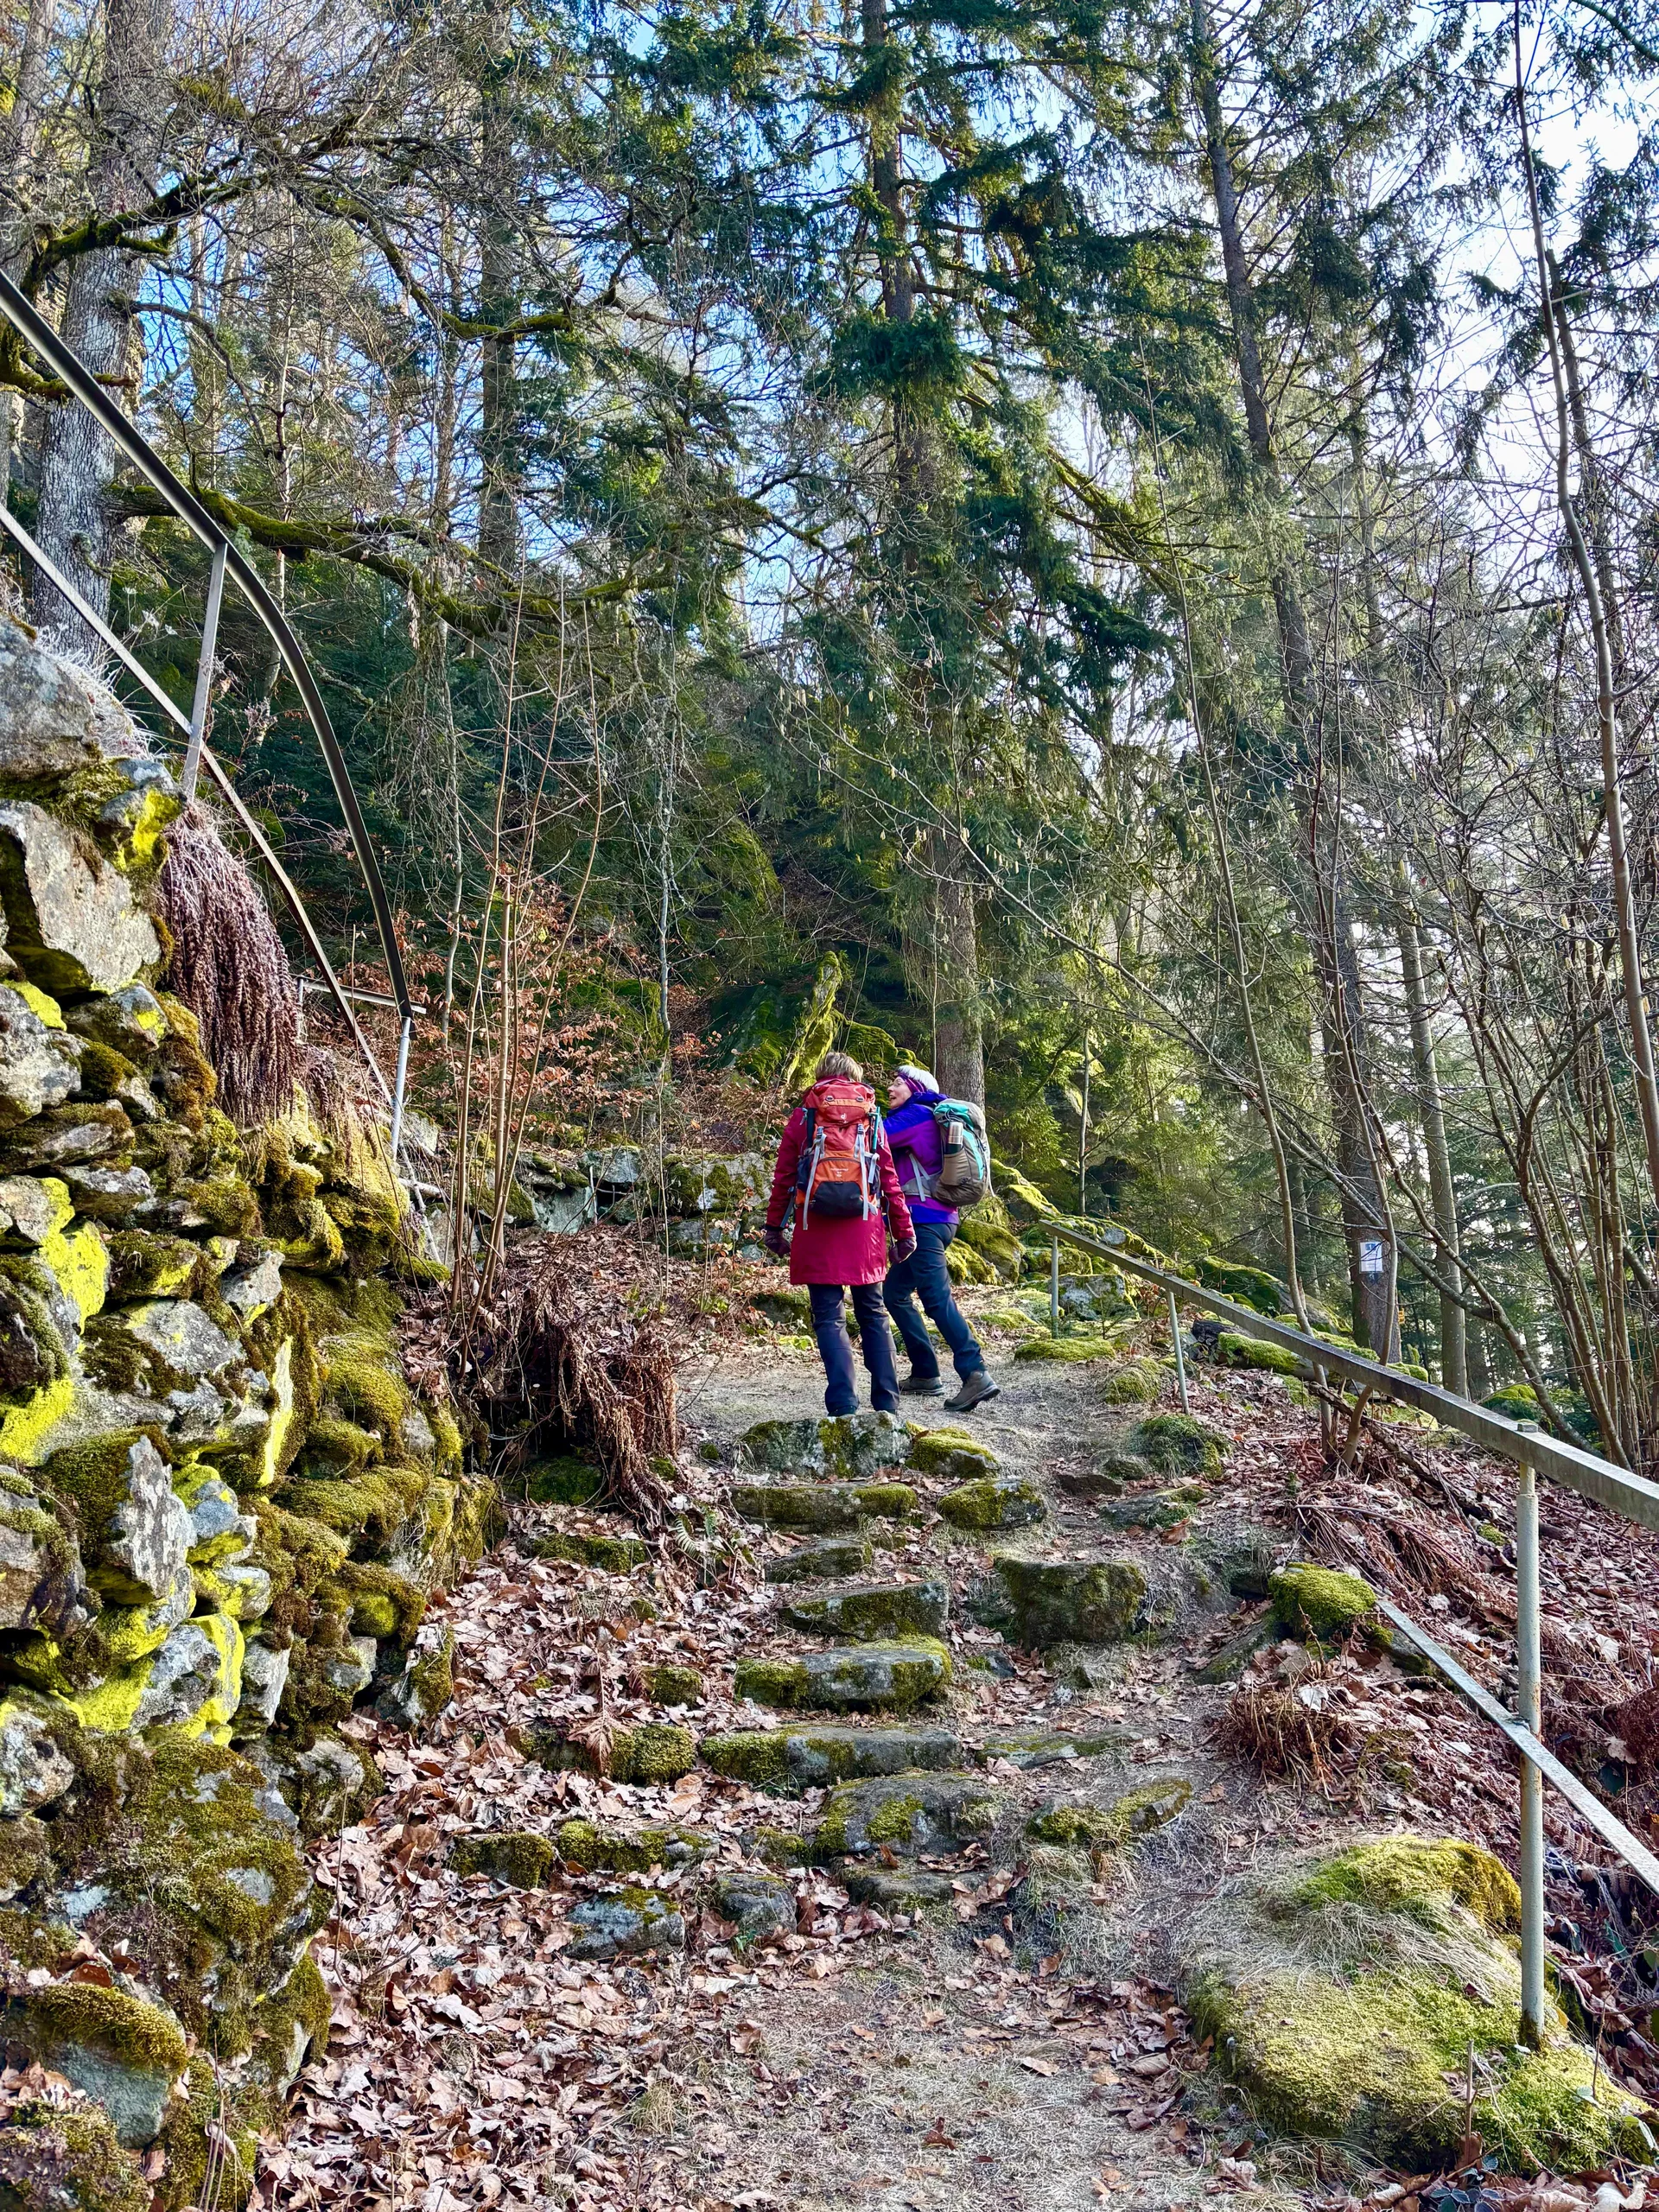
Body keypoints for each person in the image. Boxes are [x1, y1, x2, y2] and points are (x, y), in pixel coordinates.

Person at [764, 1052, 916, 1416]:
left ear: (822, 1077)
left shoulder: (805, 1115)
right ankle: (887, 1405)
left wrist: (773, 1228)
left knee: (829, 1316)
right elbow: (889, 1179)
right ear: (854, 1079)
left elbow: (784, 1177)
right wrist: (904, 1232)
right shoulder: (872, 1115)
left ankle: (844, 1405)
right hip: (865, 1227)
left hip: (814, 1226)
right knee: (874, 1313)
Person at [881, 1062, 1001, 1412]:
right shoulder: (926, 1117)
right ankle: (925, 1372)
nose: (891, 1088)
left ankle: (974, 1372)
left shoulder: (915, 1116)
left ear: (915, 1089)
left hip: (924, 1222)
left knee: (935, 1299)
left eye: (897, 1083)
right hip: (940, 1219)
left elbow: (875, 1139)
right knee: (895, 1292)